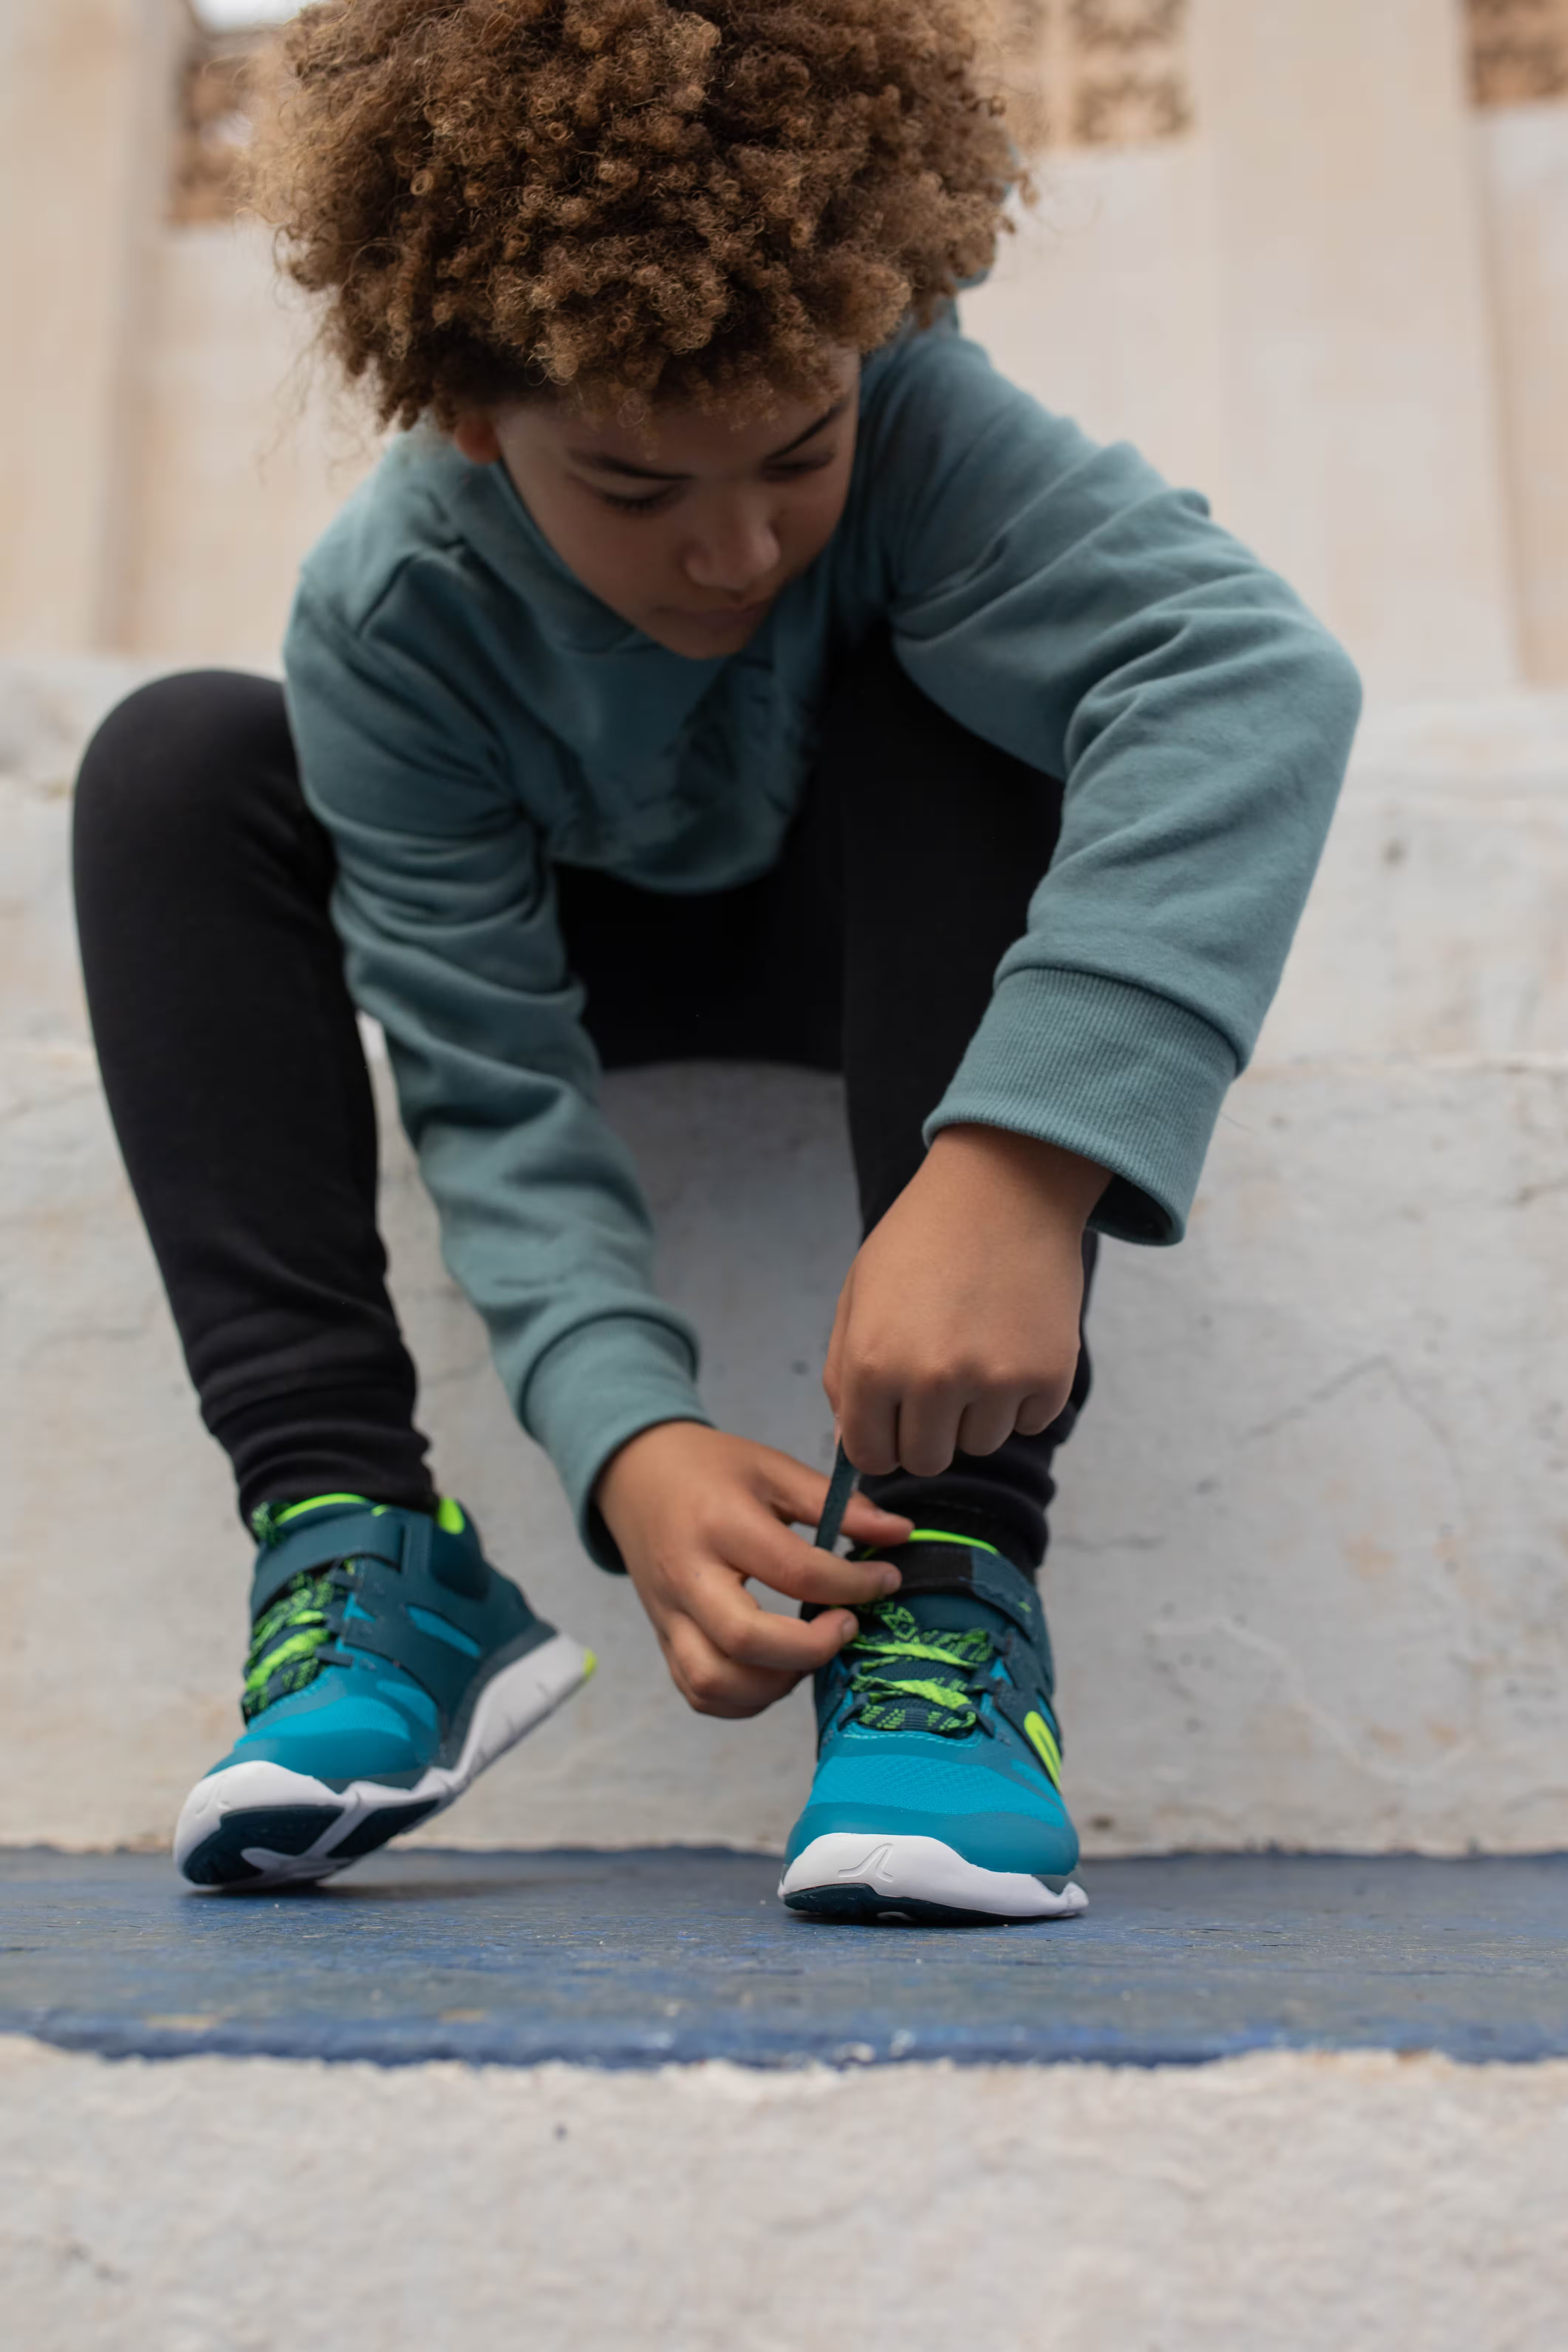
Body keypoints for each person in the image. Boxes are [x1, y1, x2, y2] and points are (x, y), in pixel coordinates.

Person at [72, 0, 1360, 1919]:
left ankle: (948, 1598)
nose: (740, 545)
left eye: (796, 451)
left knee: (974, 704)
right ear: (465, 409)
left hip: (881, 934)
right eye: (636, 488)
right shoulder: (397, 611)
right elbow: (487, 1069)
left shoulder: (917, 414)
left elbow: (1249, 674)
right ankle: (363, 1557)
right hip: (588, 963)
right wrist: (631, 1437)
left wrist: (1018, 1157)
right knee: (175, 762)